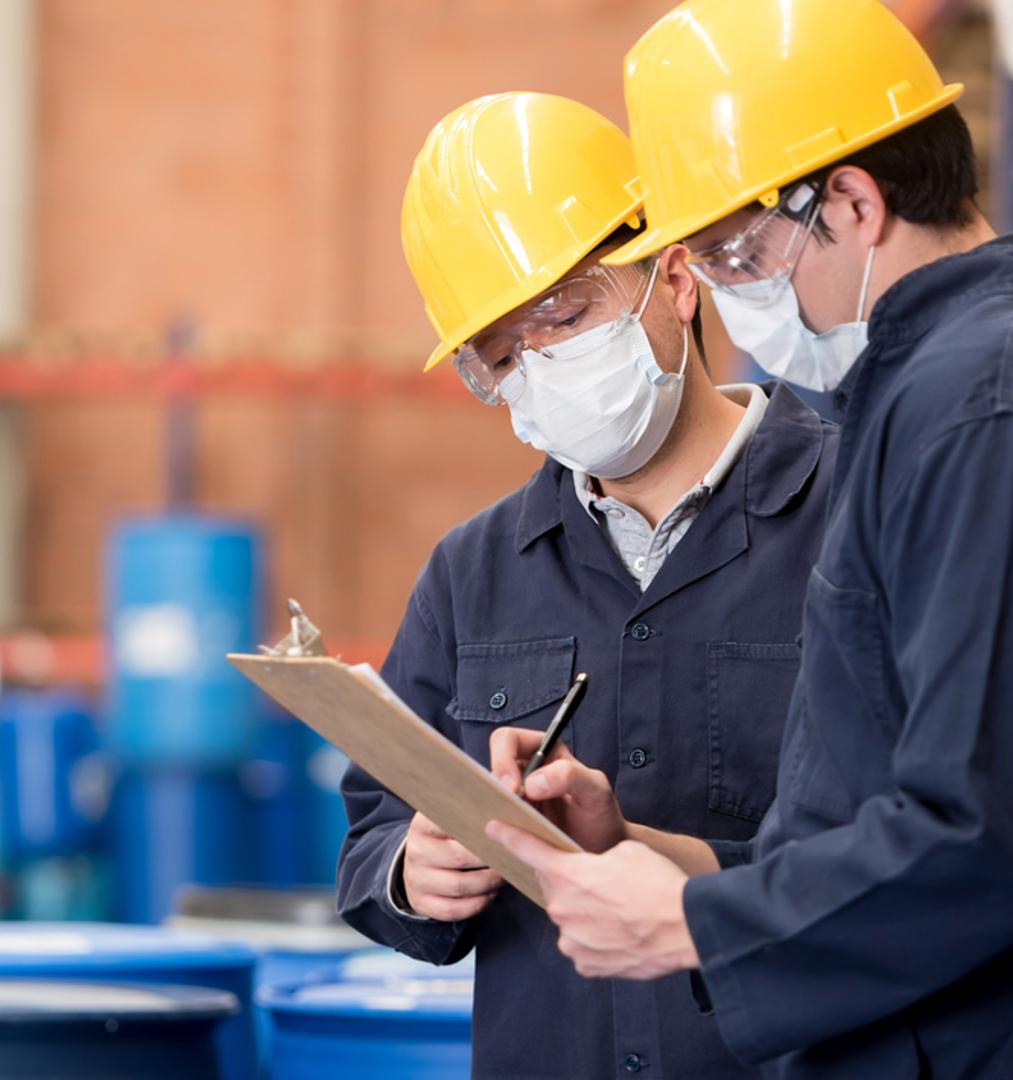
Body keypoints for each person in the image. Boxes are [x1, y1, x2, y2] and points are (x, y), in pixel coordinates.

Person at [485, 2, 1013, 1076]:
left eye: (734, 253)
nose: (732, 298)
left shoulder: (991, 409)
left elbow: (1007, 830)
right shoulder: (958, 383)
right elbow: (899, 809)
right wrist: (659, 861)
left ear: (850, 200)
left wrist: (702, 930)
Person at [335, 91, 837, 1077]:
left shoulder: (860, 520)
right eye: (503, 355)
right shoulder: (472, 574)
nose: (542, 367)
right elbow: (371, 829)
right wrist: (410, 871)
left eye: (564, 315)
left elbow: (918, 848)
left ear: (678, 280)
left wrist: (680, 880)